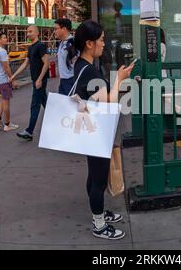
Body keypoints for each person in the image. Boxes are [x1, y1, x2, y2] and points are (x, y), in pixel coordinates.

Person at [70, 20, 134, 240]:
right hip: (96, 132)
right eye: (101, 40)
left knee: (94, 176)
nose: (104, 44)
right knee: (98, 181)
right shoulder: (89, 72)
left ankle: (98, 213)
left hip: (91, 128)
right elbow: (109, 103)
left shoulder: (81, 65)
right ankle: (99, 224)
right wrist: (119, 80)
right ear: (89, 43)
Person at [12, 26, 50, 141]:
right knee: (47, 104)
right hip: (36, 80)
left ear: (37, 33)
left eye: (30, 31)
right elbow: (25, 64)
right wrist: (13, 76)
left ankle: (29, 131)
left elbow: (46, 63)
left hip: (40, 81)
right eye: (27, 32)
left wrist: (39, 79)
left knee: (35, 106)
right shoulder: (31, 47)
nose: (28, 34)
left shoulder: (41, 46)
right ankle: (59, 123)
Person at [0, 30, 19, 132]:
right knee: (6, 103)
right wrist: (13, 79)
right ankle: (7, 124)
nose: (6, 39)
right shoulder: (2, 52)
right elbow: (6, 67)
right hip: (3, 80)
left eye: (5, 37)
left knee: (3, 99)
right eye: (3, 38)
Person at [54, 19, 75, 96]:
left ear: (64, 29)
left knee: (71, 106)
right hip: (63, 81)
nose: (54, 31)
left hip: (71, 81)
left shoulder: (72, 43)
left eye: (56, 29)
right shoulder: (62, 42)